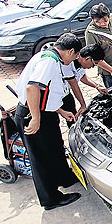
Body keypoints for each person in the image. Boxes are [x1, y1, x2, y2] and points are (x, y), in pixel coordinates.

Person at [13, 33, 83, 210]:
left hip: (45, 112)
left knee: (55, 147)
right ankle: (50, 199)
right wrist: (36, 118)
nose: (74, 60)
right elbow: (32, 88)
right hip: (32, 114)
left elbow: (47, 92)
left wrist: (60, 110)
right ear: (70, 51)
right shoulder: (49, 61)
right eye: (75, 56)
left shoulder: (50, 57)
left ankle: (64, 178)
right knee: (41, 157)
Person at [60, 43, 108, 128]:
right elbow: (74, 85)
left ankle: (74, 130)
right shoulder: (68, 63)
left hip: (65, 93)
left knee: (72, 116)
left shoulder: (80, 63)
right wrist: (83, 105)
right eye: (94, 64)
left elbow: (83, 77)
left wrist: (97, 86)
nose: (93, 67)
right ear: (88, 59)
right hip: (50, 94)